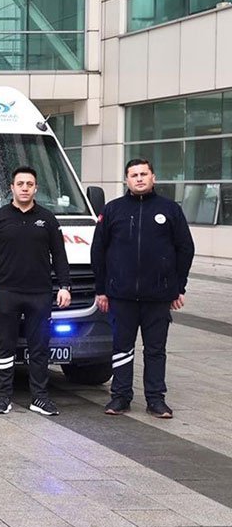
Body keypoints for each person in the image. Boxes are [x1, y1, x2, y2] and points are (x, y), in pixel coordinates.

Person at [92, 159, 195, 419]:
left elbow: (185, 248)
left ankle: (156, 400)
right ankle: (120, 397)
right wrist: (101, 289)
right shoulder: (113, 209)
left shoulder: (169, 209)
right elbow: (98, 250)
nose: (139, 178)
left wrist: (178, 287)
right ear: (126, 180)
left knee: (155, 350)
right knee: (122, 348)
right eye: (134, 175)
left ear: (153, 177)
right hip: (121, 295)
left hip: (158, 296)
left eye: (143, 174)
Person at [0, 166, 72, 416]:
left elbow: (59, 256)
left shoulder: (48, 219)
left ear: (36, 188)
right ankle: (3, 397)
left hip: (40, 294)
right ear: (11, 188)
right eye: (20, 184)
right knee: (4, 346)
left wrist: (65, 286)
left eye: (29, 184)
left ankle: (39, 398)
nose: (24, 188)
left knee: (39, 347)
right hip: (6, 292)